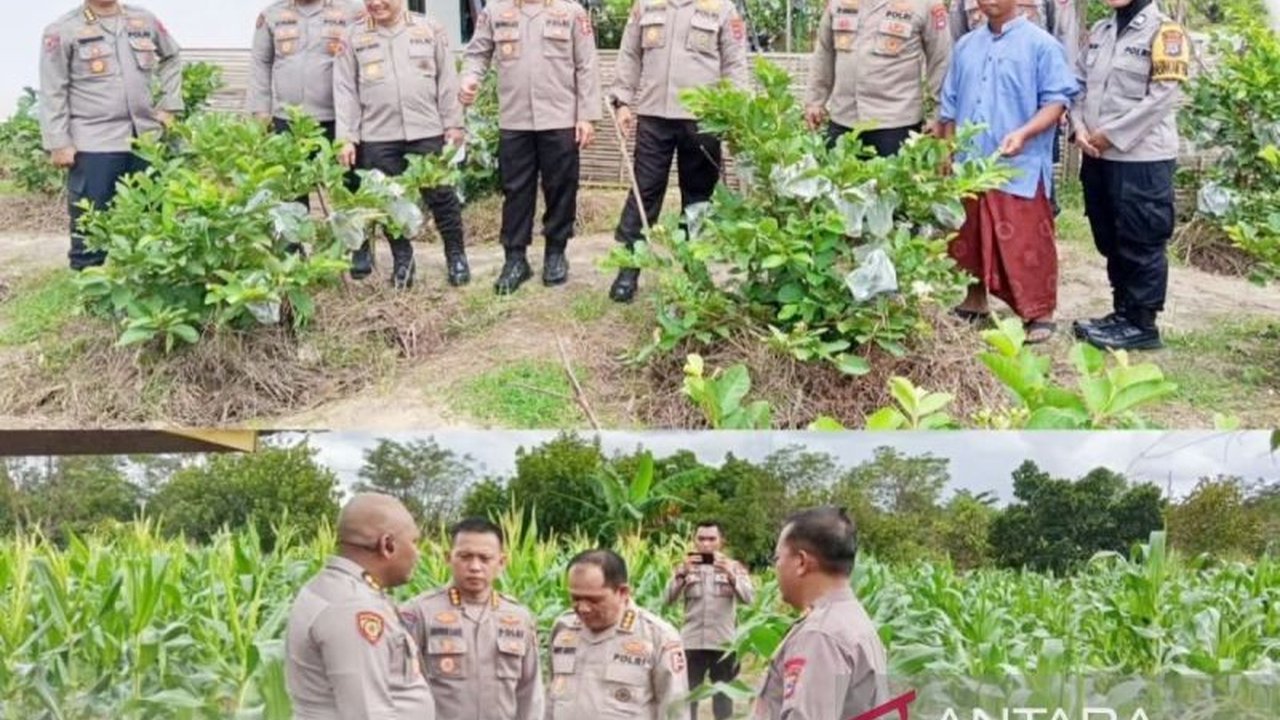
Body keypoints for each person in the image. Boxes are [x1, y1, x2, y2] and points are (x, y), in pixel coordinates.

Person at [939, 0, 1079, 343]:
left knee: (1026, 242)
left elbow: (1057, 101)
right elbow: (949, 104)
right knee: (969, 238)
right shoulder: (966, 45)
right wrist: (945, 150)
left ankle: (1040, 313)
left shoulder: (1042, 45)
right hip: (972, 164)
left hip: (1020, 166)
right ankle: (975, 302)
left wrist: (1025, 132)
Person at [605, 0, 750, 303]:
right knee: (643, 193)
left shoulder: (722, 8)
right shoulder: (646, 5)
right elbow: (630, 55)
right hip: (654, 116)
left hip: (703, 119)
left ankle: (694, 269)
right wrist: (622, 101)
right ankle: (629, 268)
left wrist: (736, 115)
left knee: (698, 199)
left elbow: (735, 65)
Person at [459, 0, 601, 295]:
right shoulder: (495, 12)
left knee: (561, 187)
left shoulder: (571, 12)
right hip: (515, 119)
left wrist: (586, 116)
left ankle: (555, 253)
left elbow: (587, 65)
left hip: (560, 118)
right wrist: (470, 78)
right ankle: (515, 259)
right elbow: (477, 53)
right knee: (515, 190)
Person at [1071, 0, 1187, 350]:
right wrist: (1078, 128)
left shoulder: (1166, 32)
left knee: (1141, 239)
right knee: (1109, 236)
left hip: (1142, 158)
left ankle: (1142, 323)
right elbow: (1077, 85)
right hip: (1096, 154)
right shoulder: (1101, 32)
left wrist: (1111, 135)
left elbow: (1162, 98)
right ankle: (1122, 313)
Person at [333, 0, 469, 289]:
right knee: (390, 202)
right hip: (378, 134)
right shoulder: (353, 36)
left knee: (442, 196)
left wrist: (454, 123)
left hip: (427, 130)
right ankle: (403, 262)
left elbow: (447, 81)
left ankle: (456, 256)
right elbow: (345, 91)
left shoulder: (429, 29)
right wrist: (346, 137)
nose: (375, 3)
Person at [39, 0, 182, 271]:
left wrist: (169, 105)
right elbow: (52, 89)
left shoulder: (144, 20)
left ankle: (146, 279)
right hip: (94, 140)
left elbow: (172, 56)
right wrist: (58, 141)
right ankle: (89, 283)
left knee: (149, 214)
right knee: (92, 218)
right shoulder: (63, 29)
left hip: (145, 139)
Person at [284, 492, 436, 719]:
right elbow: (367, 713)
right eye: (414, 542)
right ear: (388, 545)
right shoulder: (352, 608)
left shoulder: (339, 590)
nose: (418, 553)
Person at [399, 517, 544, 720]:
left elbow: (530, 692)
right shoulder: (419, 613)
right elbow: (400, 686)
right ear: (448, 558)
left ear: (501, 562)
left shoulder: (519, 617)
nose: (475, 567)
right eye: (465, 557)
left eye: (485, 558)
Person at [754, 507, 889, 720]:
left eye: (777, 558)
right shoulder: (854, 620)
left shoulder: (820, 636)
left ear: (801, 562)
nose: (776, 568)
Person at [247, 0, 365, 241]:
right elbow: (260, 64)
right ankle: (294, 248)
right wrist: (260, 111)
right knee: (291, 188)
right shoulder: (271, 16)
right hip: (287, 121)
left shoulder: (350, 12)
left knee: (347, 185)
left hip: (337, 121)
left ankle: (356, 248)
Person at [950, 0, 1081, 215]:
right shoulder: (965, 45)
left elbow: (1066, 39)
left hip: (1023, 147)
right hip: (970, 159)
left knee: (1024, 236)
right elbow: (955, 45)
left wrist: (1063, 105)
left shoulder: (1042, 45)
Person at [546, 549, 689, 720]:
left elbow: (674, 711)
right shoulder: (563, 628)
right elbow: (552, 696)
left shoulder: (658, 636)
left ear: (622, 592)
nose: (583, 608)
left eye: (594, 600)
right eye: (576, 598)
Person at [804, 0, 951, 156]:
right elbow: (824, 51)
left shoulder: (926, 4)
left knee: (892, 180)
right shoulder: (838, 3)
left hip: (895, 126)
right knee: (839, 180)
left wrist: (939, 115)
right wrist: (815, 100)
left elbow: (941, 61)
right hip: (843, 119)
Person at [663, 521, 754, 720]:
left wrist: (730, 575)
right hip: (691, 643)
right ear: (694, 541)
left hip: (723, 644)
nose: (706, 544)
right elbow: (667, 599)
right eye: (701, 539)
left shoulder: (734, 567)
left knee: (723, 698)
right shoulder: (684, 567)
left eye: (711, 539)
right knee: (689, 697)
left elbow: (749, 598)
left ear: (721, 541)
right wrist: (682, 574)